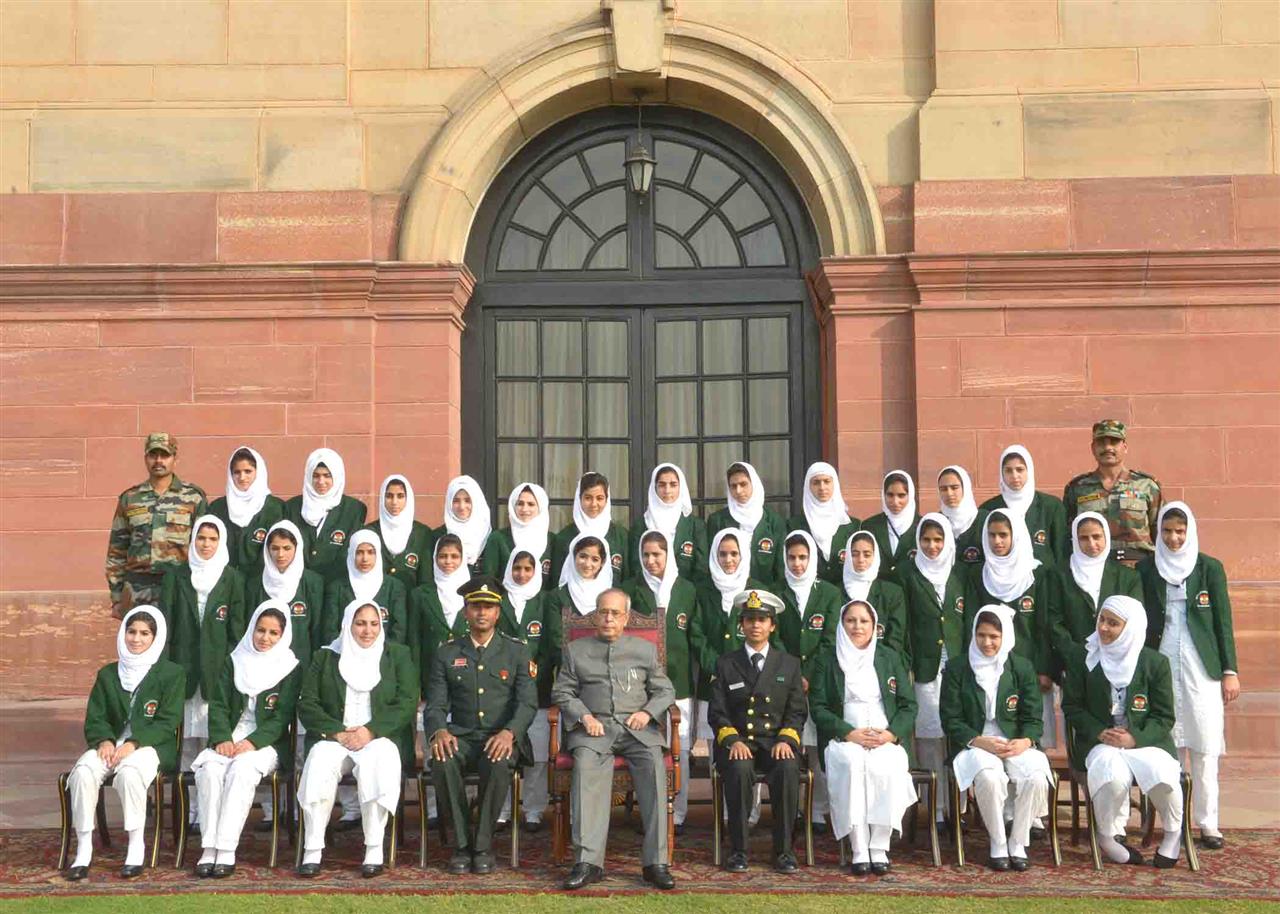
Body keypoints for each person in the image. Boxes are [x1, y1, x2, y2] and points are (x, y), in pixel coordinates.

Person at [551, 588, 677, 891]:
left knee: (654, 765)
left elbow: (665, 691)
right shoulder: (576, 650)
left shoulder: (644, 650)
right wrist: (584, 716)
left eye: (615, 613)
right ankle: (588, 863)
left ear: (626, 618)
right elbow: (561, 692)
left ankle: (655, 863)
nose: (608, 618)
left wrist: (647, 713)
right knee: (585, 767)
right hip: (594, 729)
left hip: (637, 730)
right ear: (596, 615)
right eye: (603, 612)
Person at [1137, 502, 1240, 850]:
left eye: (1180, 531)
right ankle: (1172, 823)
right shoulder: (1147, 568)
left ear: (1190, 531)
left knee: (1204, 744)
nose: (1174, 538)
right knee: (1166, 746)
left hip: (1202, 665)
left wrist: (1229, 671)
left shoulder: (1210, 567)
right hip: (1161, 659)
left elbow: (1222, 623)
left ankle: (1208, 823)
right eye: (1167, 531)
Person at [295, 599, 417, 878]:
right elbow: (308, 704)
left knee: (379, 761)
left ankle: (374, 848)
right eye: (360, 623)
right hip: (335, 736)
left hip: (377, 737)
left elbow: (407, 701)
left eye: (374, 624)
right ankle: (312, 849)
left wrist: (370, 731)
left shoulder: (397, 654)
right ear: (348, 624)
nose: (367, 631)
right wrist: (337, 731)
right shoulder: (325, 657)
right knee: (318, 762)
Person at [1062, 595, 1184, 868]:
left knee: (1162, 776)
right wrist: (1099, 732)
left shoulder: (1154, 663)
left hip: (1144, 741)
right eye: (1102, 620)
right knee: (1112, 778)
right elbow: (1072, 706)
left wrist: (1134, 738)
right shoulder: (1084, 657)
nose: (1103, 628)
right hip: (1101, 741)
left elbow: (1164, 717)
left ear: (1130, 628)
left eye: (1113, 623)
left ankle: (1173, 835)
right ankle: (1106, 838)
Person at [427, 576, 537, 874]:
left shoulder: (516, 651)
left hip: (499, 736)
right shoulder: (447, 652)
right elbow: (435, 703)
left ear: (498, 612)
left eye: (488, 607)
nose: (482, 612)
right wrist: (439, 731)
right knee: (442, 759)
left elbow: (527, 703)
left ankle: (483, 846)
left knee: (498, 761)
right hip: (461, 735)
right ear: (466, 611)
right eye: (476, 606)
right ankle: (462, 846)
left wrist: (509, 733)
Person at [63, 608, 184, 880]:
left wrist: (134, 743)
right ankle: (83, 849)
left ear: (156, 637)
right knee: (82, 773)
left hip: (150, 746)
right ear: (123, 633)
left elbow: (168, 721)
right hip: (110, 743)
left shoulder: (171, 673)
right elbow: (96, 716)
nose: (136, 639)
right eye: (131, 632)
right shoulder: (107, 674)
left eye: (144, 633)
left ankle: (135, 846)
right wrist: (104, 740)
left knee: (129, 774)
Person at [191, 600, 301, 877]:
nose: (265, 638)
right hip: (230, 735)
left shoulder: (290, 666)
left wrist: (251, 743)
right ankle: (209, 848)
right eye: (260, 630)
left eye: (273, 633)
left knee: (242, 770)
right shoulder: (234, 660)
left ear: (283, 635)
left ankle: (226, 850)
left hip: (265, 743)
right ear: (251, 629)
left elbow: (282, 716)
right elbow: (218, 706)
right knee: (210, 770)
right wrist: (222, 738)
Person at [941, 604, 1053, 871]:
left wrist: (1025, 741)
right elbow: (950, 719)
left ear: (1006, 637)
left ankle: (1018, 841)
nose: (987, 642)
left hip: (1014, 742)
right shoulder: (958, 667)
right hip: (975, 744)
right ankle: (998, 842)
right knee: (990, 778)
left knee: (1036, 777)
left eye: (994, 636)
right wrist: (978, 740)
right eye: (981, 635)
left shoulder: (1021, 668)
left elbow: (1034, 718)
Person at [809, 599, 916, 875]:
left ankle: (879, 847)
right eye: (851, 621)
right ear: (842, 625)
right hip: (845, 738)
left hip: (884, 737)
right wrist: (848, 732)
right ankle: (859, 847)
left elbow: (908, 705)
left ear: (874, 626)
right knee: (853, 766)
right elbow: (818, 707)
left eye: (864, 621)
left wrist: (891, 735)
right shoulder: (827, 659)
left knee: (886, 766)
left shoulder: (889, 657)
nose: (857, 626)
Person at [708, 589, 807, 873]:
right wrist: (733, 740)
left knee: (788, 768)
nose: (755, 625)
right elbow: (717, 711)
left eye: (762, 619)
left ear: (772, 626)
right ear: (741, 625)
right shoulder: (726, 663)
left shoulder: (789, 664)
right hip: (739, 743)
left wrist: (788, 738)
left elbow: (797, 710)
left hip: (775, 743)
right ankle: (738, 850)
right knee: (738, 770)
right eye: (749, 619)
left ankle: (784, 851)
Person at [160, 515, 246, 792]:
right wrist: (166, 669)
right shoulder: (176, 576)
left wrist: (228, 668)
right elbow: (166, 625)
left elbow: (237, 631)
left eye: (212, 539)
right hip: (183, 670)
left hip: (216, 672)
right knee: (185, 743)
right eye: (201, 538)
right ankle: (190, 811)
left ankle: (210, 801)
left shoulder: (232, 578)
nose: (206, 544)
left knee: (214, 740)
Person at [623, 530, 700, 834]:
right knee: (647, 748)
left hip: (680, 683)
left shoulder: (688, 590)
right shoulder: (630, 589)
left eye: (657, 554)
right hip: (640, 687)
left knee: (678, 750)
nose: (651, 560)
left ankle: (677, 813)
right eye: (646, 555)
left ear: (668, 556)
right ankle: (650, 812)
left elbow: (694, 637)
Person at [965, 509, 1059, 751]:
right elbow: (972, 625)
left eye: (1003, 535)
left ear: (1016, 535)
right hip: (989, 670)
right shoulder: (978, 575)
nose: (997, 541)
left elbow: (1044, 626)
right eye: (992, 535)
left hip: (1032, 671)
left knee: (1033, 742)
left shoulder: (1037, 574)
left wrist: (1045, 669)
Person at [901, 513, 966, 828]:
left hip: (958, 667)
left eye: (938, 540)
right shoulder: (909, 575)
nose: (932, 546)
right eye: (926, 540)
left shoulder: (959, 575)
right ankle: (936, 808)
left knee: (959, 734)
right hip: (924, 668)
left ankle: (959, 807)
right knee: (929, 736)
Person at [774, 531, 842, 831]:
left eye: (803, 557)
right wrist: (791, 675)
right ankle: (794, 808)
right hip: (782, 679)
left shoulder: (828, 593)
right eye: (792, 557)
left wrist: (810, 676)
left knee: (817, 746)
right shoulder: (775, 591)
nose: (798, 564)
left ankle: (817, 809)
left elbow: (829, 639)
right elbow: (772, 636)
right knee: (789, 744)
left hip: (818, 679)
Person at [105, 432, 208, 618]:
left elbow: (205, 548)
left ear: (175, 459)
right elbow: (116, 551)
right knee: (139, 644)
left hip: (179, 588)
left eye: (165, 455)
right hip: (137, 590)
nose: (158, 461)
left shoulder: (193, 498)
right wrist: (117, 597)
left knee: (177, 645)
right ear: (145, 458)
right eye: (153, 455)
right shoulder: (130, 498)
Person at [497, 549, 562, 832]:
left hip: (539, 688)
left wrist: (535, 671)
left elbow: (549, 644)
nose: (522, 574)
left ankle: (533, 810)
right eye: (517, 568)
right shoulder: (499, 601)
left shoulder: (544, 600)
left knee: (536, 751)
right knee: (501, 751)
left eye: (527, 569)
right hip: (502, 688)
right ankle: (502, 811)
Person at [690, 529, 769, 753]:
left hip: (750, 678)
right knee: (717, 746)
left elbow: (765, 633)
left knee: (751, 744)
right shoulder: (703, 590)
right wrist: (717, 666)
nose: (728, 560)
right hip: (713, 679)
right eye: (722, 554)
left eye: (734, 553)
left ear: (743, 555)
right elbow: (696, 633)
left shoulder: (758, 590)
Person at [1063, 420, 1161, 566]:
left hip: (1139, 568)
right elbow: (1068, 535)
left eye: (1114, 442)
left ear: (1125, 447)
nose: (1108, 448)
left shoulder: (1147, 486)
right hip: (1094, 568)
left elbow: (1160, 532)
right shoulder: (1077, 488)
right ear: (1093, 448)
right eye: (1101, 443)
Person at [1052, 512, 1142, 663]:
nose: (1092, 544)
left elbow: (1135, 621)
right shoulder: (1059, 576)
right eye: (1084, 538)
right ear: (1075, 540)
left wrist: (1113, 651)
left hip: (1119, 659)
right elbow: (1053, 621)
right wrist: (1076, 654)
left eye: (1097, 536)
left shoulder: (1128, 577)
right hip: (1074, 662)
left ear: (1106, 536)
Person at [244, 520, 325, 671]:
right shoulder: (255, 584)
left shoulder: (312, 582)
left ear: (297, 547)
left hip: (301, 664)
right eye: (275, 548)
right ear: (267, 550)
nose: (280, 554)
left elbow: (316, 629)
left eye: (287, 548)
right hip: (261, 665)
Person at [285, 448, 368, 582]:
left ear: (337, 476)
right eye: (316, 475)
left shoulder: (354, 510)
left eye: (327, 475)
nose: (321, 481)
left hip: (336, 584)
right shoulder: (292, 507)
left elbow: (349, 551)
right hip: (299, 584)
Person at [980, 446, 1068, 568]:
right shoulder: (988, 509)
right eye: (1008, 471)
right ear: (1001, 473)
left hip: (1045, 581)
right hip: (1003, 580)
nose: (1015, 476)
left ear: (1029, 471)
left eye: (1020, 470)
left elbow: (1061, 552)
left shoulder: (1051, 506)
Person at [320, 530, 408, 649]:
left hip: (384, 659)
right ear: (351, 554)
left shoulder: (394, 587)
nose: (365, 558)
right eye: (359, 552)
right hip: (343, 655)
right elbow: (330, 630)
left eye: (371, 552)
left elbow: (398, 631)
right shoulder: (337, 588)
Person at [410, 535, 473, 698]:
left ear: (463, 558)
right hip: (431, 676)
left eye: (454, 556)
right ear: (435, 558)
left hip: (469, 678)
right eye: (443, 556)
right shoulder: (421, 594)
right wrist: (414, 686)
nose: (448, 561)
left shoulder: (473, 593)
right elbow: (414, 641)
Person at [705, 462, 786, 586]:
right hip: (725, 593)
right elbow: (712, 562)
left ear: (754, 484)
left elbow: (780, 567)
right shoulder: (718, 520)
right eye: (733, 486)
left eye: (743, 484)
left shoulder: (774, 522)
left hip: (764, 594)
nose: (738, 491)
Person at [208, 446, 285, 574]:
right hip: (224, 581)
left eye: (248, 471)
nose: (242, 477)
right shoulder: (217, 508)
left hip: (261, 583)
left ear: (258, 472)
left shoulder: (276, 508)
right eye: (236, 472)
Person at [629, 464, 708, 583]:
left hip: (685, 595)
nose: (667, 490)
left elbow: (701, 568)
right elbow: (635, 566)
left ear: (681, 487)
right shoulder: (641, 525)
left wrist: (683, 591)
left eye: (673, 485)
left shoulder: (695, 525)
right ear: (654, 488)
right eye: (661, 485)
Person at [550, 472, 631, 584]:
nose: (594, 504)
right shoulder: (564, 537)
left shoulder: (620, 535)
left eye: (599, 498)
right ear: (579, 499)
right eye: (588, 498)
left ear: (607, 500)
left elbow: (627, 579)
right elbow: (556, 581)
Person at [789, 462, 859, 585]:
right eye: (816, 482)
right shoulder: (794, 526)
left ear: (835, 484)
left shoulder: (853, 526)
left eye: (827, 481)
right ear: (808, 487)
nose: (822, 487)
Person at [841, 530, 908, 655]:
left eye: (867, 555)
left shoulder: (892, 593)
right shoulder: (835, 592)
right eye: (855, 554)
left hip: (882, 665)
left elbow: (895, 641)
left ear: (875, 556)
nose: (861, 560)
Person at [366, 475, 434, 589]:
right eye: (389, 496)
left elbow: (425, 580)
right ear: (382, 498)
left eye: (400, 496)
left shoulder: (422, 533)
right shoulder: (369, 531)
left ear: (408, 498)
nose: (394, 502)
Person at [482, 482, 553, 585]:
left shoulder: (552, 541)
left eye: (531, 504)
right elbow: (489, 580)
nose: (524, 509)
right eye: (520, 503)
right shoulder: (497, 538)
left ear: (541, 507)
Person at [857, 471, 918, 584]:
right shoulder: (870, 526)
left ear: (911, 495)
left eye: (901, 495)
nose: (895, 502)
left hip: (911, 592)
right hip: (880, 594)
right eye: (890, 495)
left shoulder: (921, 526)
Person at [438, 475, 492, 577]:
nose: (462, 507)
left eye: (467, 500)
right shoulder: (437, 536)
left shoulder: (490, 537)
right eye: (456, 501)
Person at [555, 533, 614, 619]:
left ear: (603, 563)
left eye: (595, 559)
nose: (587, 564)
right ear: (573, 557)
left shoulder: (613, 596)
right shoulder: (558, 596)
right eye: (583, 557)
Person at [938, 465, 986, 566]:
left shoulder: (985, 520)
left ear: (965, 487)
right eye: (943, 489)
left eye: (954, 488)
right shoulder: (937, 522)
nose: (949, 493)